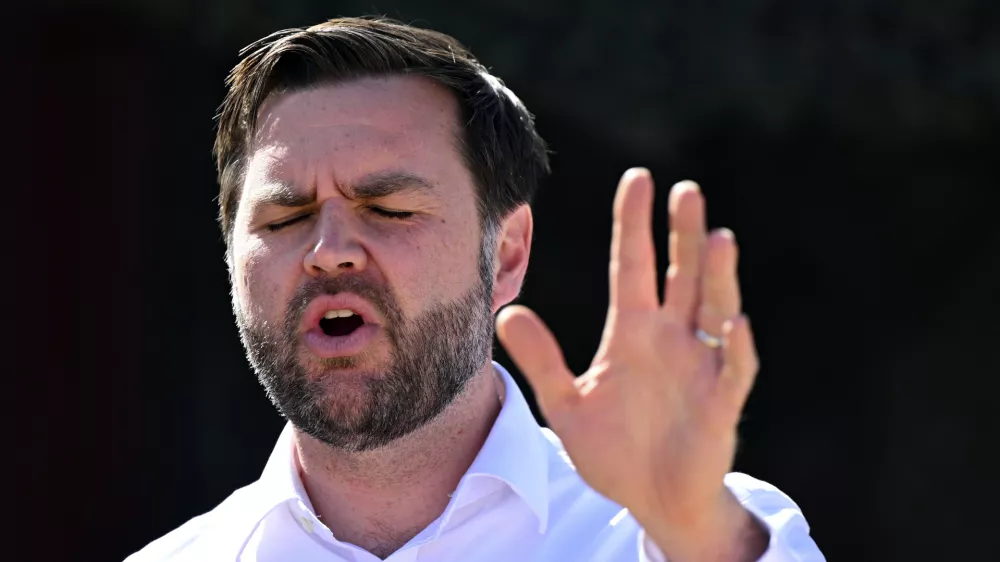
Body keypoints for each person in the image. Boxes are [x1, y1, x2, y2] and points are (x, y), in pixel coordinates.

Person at [128, 17, 825, 562]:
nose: (329, 252)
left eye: (389, 209)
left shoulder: (706, 536)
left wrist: (696, 537)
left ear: (507, 254)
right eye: (284, 219)